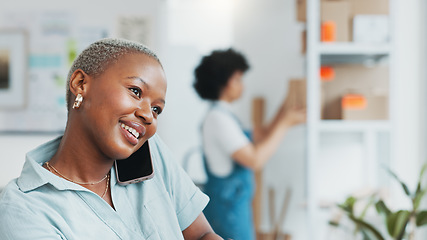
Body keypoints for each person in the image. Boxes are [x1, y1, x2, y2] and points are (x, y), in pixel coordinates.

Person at [0, 38, 223, 240]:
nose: (148, 115)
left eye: (157, 109)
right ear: (80, 84)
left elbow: (201, 234)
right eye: (136, 91)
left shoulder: (152, 154)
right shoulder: (23, 209)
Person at [193, 48, 306, 240]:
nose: (242, 86)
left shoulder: (225, 115)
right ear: (223, 83)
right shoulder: (217, 119)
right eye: (238, 80)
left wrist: (285, 107)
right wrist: (286, 123)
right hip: (227, 212)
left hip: (235, 208)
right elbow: (254, 160)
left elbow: (263, 134)